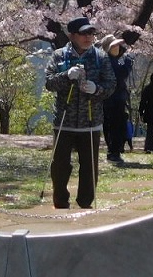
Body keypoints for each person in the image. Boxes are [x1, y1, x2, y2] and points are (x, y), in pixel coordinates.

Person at [44, 15, 116, 209]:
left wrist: (96, 89)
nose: (88, 37)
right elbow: (49, 83)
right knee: (59, 166)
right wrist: (66, 76)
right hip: (64, 120)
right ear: (72, 35)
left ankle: (85, 203)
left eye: (91, 33)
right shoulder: (59, 56)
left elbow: (111, 85)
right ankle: (60, 201)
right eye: (83, 33)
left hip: (90, 122)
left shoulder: (100, 57)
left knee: (89, 167)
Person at [100, 34, 132, 164]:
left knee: (117, 125)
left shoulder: (117, 59)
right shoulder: (107, 61)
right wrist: (128, 64)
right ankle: (113, 152)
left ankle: (115, 150)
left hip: (117, 98)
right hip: (111, 99)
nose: (118, 47)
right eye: (114, 46)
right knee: (113, 126)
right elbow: (121, 73)